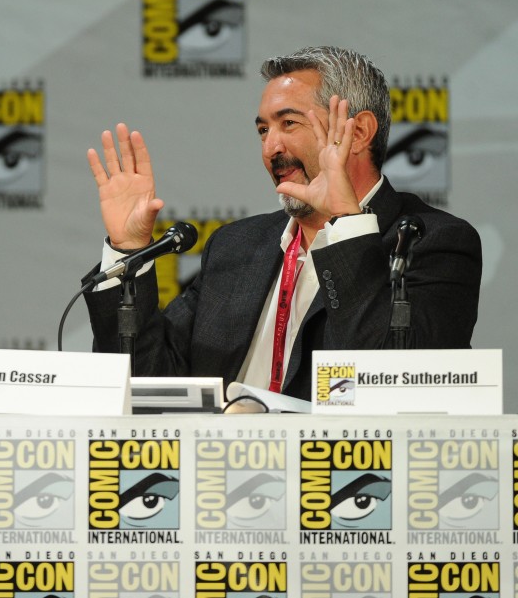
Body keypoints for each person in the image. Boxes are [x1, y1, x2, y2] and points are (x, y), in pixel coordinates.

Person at [83, 46, 481, 401]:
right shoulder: (236, 246)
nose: (271, 148)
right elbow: (149, 387)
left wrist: (345, 220)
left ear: (358, 133)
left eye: (288, 124)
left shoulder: (432, 243)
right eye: (263, 130)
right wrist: (128, 249)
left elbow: (395, 387)